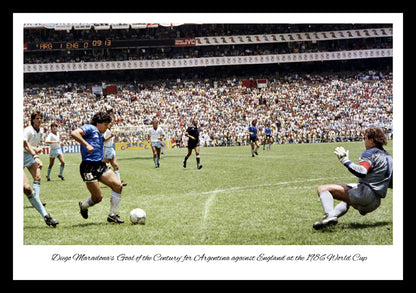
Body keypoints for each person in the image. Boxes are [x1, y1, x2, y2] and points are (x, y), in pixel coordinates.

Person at [313, 126, 393, 230]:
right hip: (375, 202)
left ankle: (329, 215)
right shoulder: (388, 157)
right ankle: (332, 217)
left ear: (371, 140)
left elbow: (362, 172)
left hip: (365, 195)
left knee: (322, 189)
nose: (364, 141)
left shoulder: (369, 153)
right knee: (347, 198)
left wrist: (345, 160)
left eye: (365, 138)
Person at [71, 111, 124, 223]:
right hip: (88, 167)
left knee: (118, 186)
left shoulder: (100, 134)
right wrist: (86, 144)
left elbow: (98, 149)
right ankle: (84, 206)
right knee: (97, 198)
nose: (106, 127)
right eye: (105, 124)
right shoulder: (90, 128)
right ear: (99, 123)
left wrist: (105, 162)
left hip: (100, 165)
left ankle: (112, 215)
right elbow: (74, 133)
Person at [23, 112, 58, 227]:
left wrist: (35, 149)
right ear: (32, 120)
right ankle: (37, 201)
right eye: (37, 118)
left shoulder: (41, 131)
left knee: (37, 176)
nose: (39, 120)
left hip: (28, 155)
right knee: (27, 188)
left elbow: (30, 146)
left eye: (40, 118)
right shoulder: (28, 130)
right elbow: (24, 144)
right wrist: (35, 156)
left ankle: (45, 216)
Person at [103, 118, 127, 186]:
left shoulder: (110, 130)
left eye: (111, 123)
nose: (110, 124)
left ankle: (118, 182)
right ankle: (98, 179)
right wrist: (110, 136)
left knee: (116, 166)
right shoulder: (106, 131)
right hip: (106, 149)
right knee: (105, 167)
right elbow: (103, 140)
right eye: (109, 123)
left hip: (111, 149)